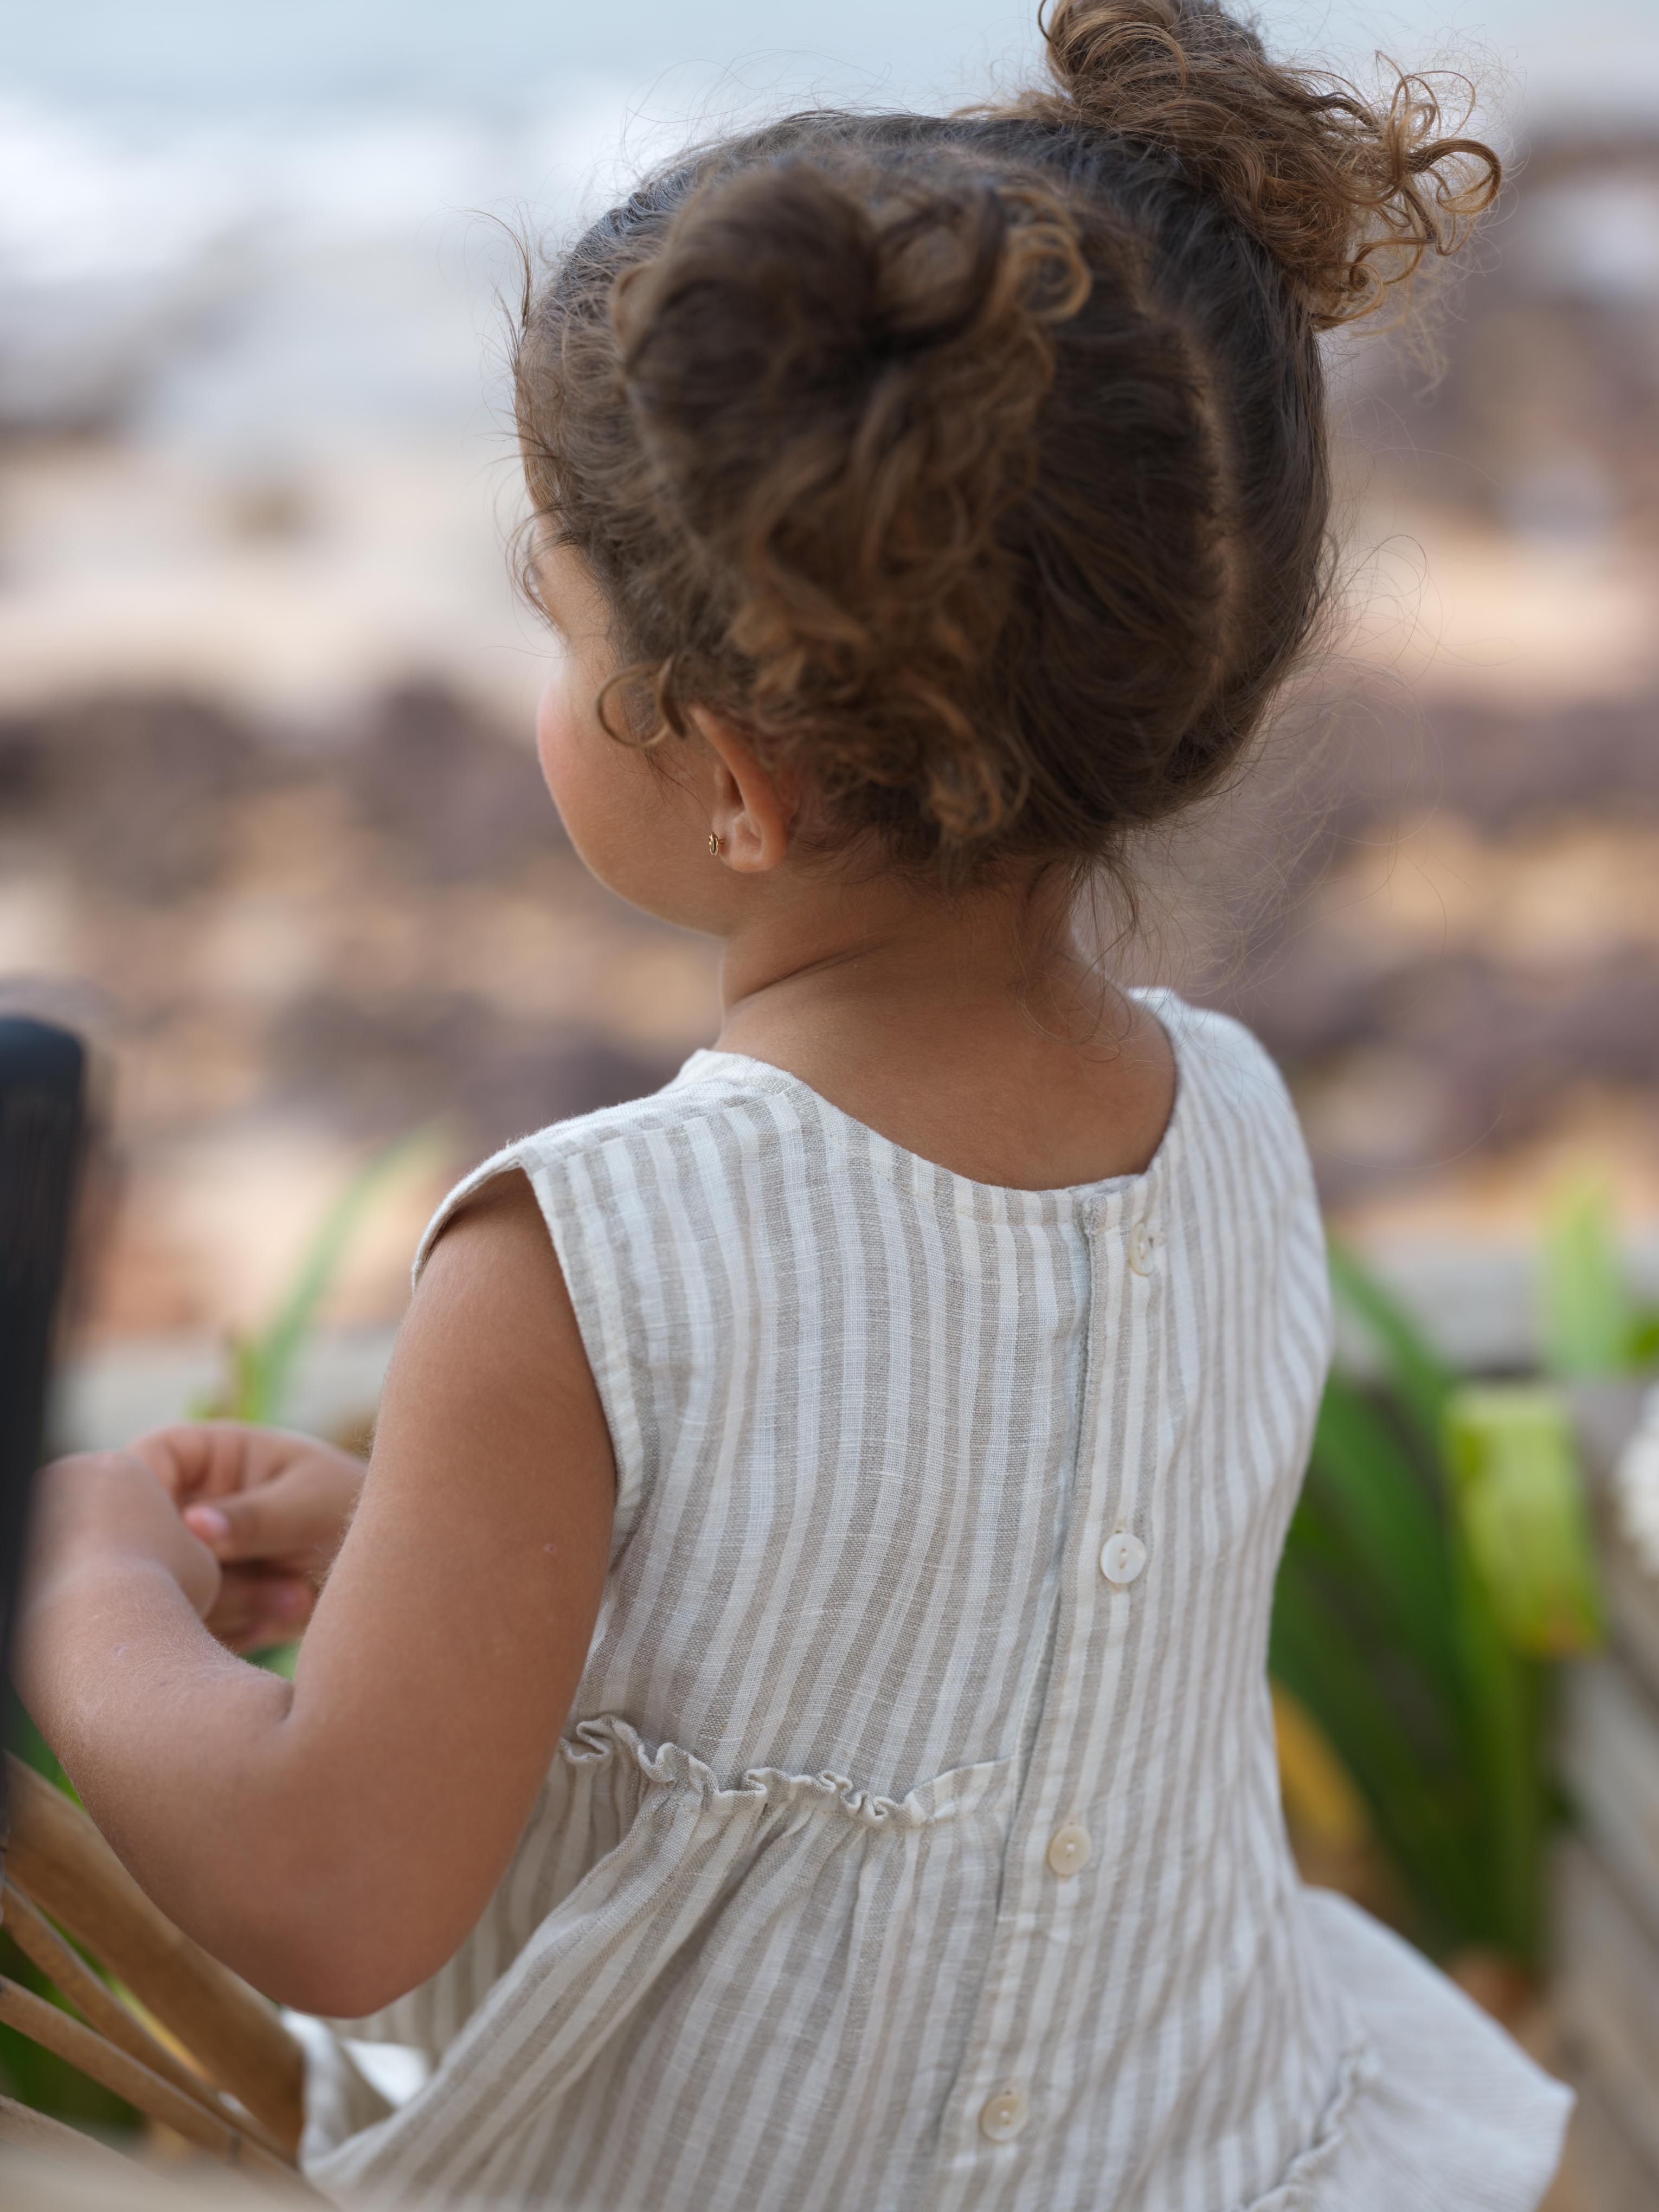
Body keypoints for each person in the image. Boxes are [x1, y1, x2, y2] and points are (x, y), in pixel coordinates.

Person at [15, 4, 1572, 2204]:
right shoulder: (1225, 1122)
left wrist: (73, 1578)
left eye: (555, 624)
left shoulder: (580, 1258)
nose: (543, 684)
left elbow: (333, 1889)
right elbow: (924, 1662)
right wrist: (443, 1582)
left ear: (736, 783)